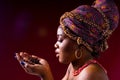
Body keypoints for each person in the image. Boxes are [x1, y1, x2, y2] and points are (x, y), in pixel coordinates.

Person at [15, 0, 119, 80]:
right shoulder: (74, 67)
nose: (56, 44)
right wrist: (43, 70)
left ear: (79, 43)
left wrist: (45, 74)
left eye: (60, 40)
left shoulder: (91, 73)